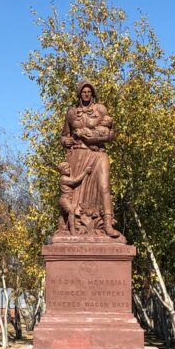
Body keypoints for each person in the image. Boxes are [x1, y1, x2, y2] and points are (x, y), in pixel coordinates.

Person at [60, 80, 121, 238]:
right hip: (78, 155)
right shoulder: (72, 113)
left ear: (93, 94)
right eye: (83, 92)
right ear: (79, 94)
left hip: (98, 153)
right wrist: (66, 141)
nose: (86, 94)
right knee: (76, 192)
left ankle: (107, 224)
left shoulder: (100, 109)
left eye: (89, 92)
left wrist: (97, 136)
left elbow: (111, 134)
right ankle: (74, 226)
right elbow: (64, 135)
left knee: (104, 186)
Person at [57, 162, 92, 236]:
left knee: (63, 217)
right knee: (71, 211)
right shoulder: (63, 178)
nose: (69, 169)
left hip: (69, 199)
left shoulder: (68, 177)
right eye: (66, 168)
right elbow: (74, 181)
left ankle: (62, 229)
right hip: (64, 199)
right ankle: (73, 231)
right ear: (62, 171)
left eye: (69, 167)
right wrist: (85, 172)